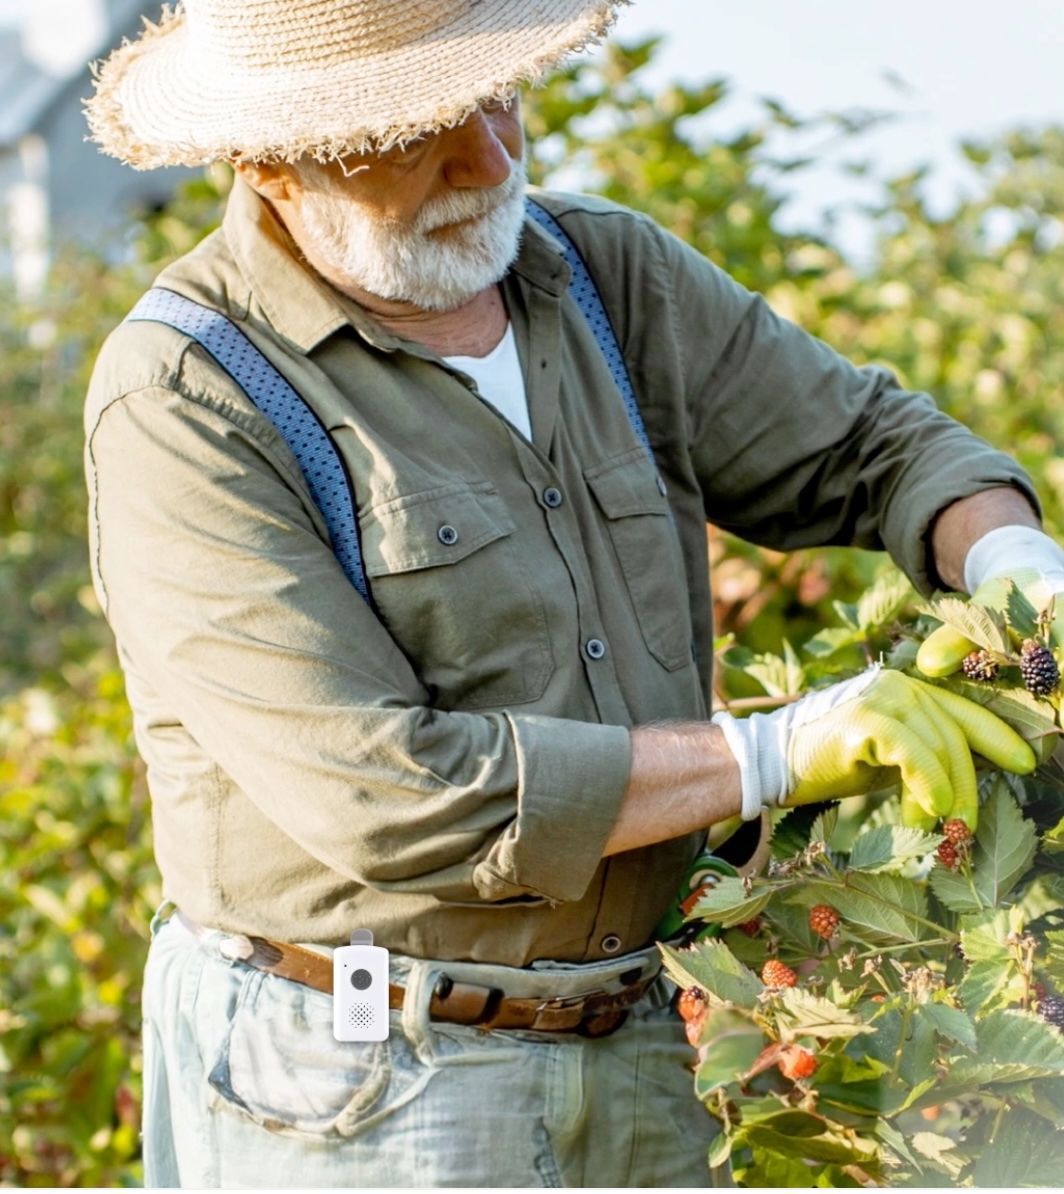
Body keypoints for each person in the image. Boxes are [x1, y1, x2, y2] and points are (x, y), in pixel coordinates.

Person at [81, 0, 1061, 1187]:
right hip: (358, 1078)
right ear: (268, 162)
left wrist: (1013, 570)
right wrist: (771, 753)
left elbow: (874, 447)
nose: (486, 157)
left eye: (495, 97)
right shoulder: (186, 396)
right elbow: (383, 796)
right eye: (410, 135)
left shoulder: (599, 276)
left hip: (634, 1038)